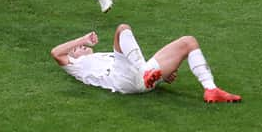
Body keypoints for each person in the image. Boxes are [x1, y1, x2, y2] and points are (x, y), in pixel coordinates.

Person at [50, 23, 242, 103]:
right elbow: (56, 52)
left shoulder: (104, 55)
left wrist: (163, 76)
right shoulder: (77, 66)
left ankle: (211, 89)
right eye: (74, 51)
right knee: (122, 28)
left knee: (188, 42)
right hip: (120, 80)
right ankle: (145, 72)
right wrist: (82, 40)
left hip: (139, 79)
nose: (76, 49)